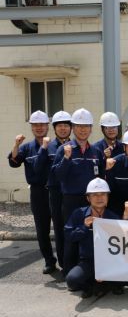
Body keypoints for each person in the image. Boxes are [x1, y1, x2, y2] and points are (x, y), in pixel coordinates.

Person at [53, 108, 105, 274]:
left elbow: (101, 176)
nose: (83, 129)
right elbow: (57, 176)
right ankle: (69, 269)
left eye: (86, 126)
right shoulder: (64, 149)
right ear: (73, 128)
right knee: (71, 235)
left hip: (91, 201)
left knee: (91, 234)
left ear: (91, 129)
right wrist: (67, 159)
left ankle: (91, 269)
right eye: (79, 126)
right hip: (71, 200)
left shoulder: (96, 151)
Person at [8, 110, 57, 274]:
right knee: (42, 229)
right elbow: (14, 161)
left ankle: (65, 259)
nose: (39, 128)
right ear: (31, 127)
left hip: (55, 191)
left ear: (47, 126)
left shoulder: (55, 145)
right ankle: (49, 261)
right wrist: (16, 144)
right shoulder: (27, 147)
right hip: (37, 192)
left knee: (59, 226)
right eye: (35, 125)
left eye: (42, 124)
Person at [64, 178, 119, 298]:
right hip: (88, 261)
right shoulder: (78, 214)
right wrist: (83, 226)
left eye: (103, 194)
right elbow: (69, 236)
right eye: (94, 195)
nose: (99, 198)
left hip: (109, 261)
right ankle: (92, 284)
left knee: (123, 279)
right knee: (72, 280)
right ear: (88, 198)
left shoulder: (113, 217)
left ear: (108, 197)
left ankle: (103, 283)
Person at [33, 110, 72, 272]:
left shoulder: (76, 145)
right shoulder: (48, 147)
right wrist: (43, 148)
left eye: (66, 125)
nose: (63, 129)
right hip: (55, 192)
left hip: (71, 192)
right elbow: (37, 168)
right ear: (54, 128)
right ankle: (62, 263)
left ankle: (73, 261)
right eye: (60, 126)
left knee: (71, 227)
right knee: (58, 228)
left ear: (71, 128)